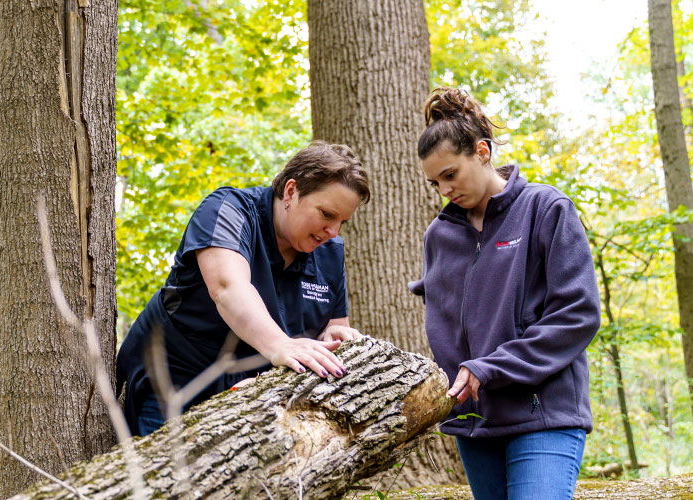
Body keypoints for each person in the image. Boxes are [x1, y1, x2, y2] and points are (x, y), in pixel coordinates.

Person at [409, 87, 600, 500]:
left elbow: (578, 314)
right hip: (476, 425)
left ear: (481, 152)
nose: (444, 190)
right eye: (435, 181)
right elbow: (445, 331)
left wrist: (490, 367)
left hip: (544, 414)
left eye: (450, 174)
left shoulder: (545, 209)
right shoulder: (438, 237)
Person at [116, 141, 371, 437]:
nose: (333, 232)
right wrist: (280, 344)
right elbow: (228, 288)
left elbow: (334, 326)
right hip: (174, 381)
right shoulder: (227, 211)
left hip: (249, 398)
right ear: (291, 191)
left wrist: (334, 337)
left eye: (342, 222)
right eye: (326, 214)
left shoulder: (330, 252)